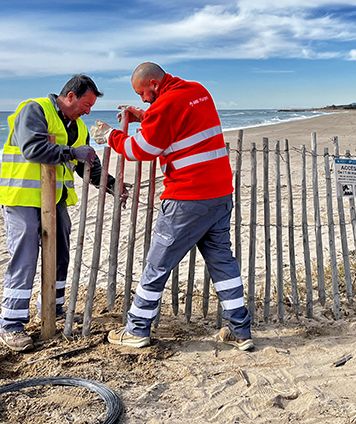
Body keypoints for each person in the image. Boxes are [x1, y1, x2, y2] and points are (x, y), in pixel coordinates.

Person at [91, 62, 253, 351]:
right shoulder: (197, 91)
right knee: (222, 262)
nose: (142, 99)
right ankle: (240, 330)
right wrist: (146, 115)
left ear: (154, 84)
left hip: (187, 199)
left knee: (157, 265)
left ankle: (137, 329)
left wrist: (110, 136)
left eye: (143, 93)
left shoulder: (164, 107)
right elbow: (178, 124)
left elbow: (141, 150)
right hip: (220, 195)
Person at [0, 74, 122, 352]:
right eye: (86, 104)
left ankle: (53, 309)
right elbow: (33, 149)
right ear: (70, 97)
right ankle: (10, 323)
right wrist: (71, 152)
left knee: (61, 252)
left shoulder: (78, 127)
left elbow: (87, 165)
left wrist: (112, 186)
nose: (88, 111)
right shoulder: (35, 109)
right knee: (25, 256)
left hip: (56, 201)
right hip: (22, 197)